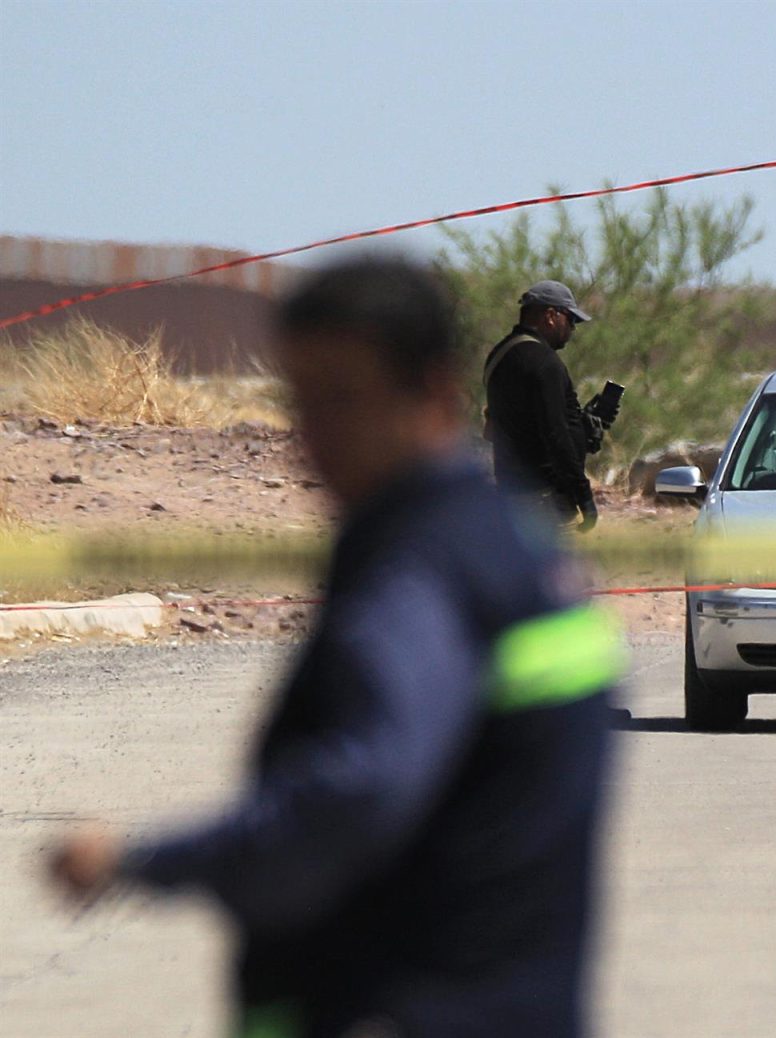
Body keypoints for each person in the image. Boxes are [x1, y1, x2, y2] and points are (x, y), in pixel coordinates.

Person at [49, 257, 624, 1038]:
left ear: (433, 392)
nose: (313, 440)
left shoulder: (422, 566)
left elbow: (356, 795)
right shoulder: (510, 550)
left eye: (344, 400)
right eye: (303, 404)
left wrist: (138, 862)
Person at [483, 279, 607, 530]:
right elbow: (554, 434)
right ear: (551, 316)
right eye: (570, 320)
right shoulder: (544, 362)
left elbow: (508, 424)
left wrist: (581, 428)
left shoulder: (499, 354)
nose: (572, 329)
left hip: (511, 494)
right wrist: (584, 496)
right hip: (543, 500)